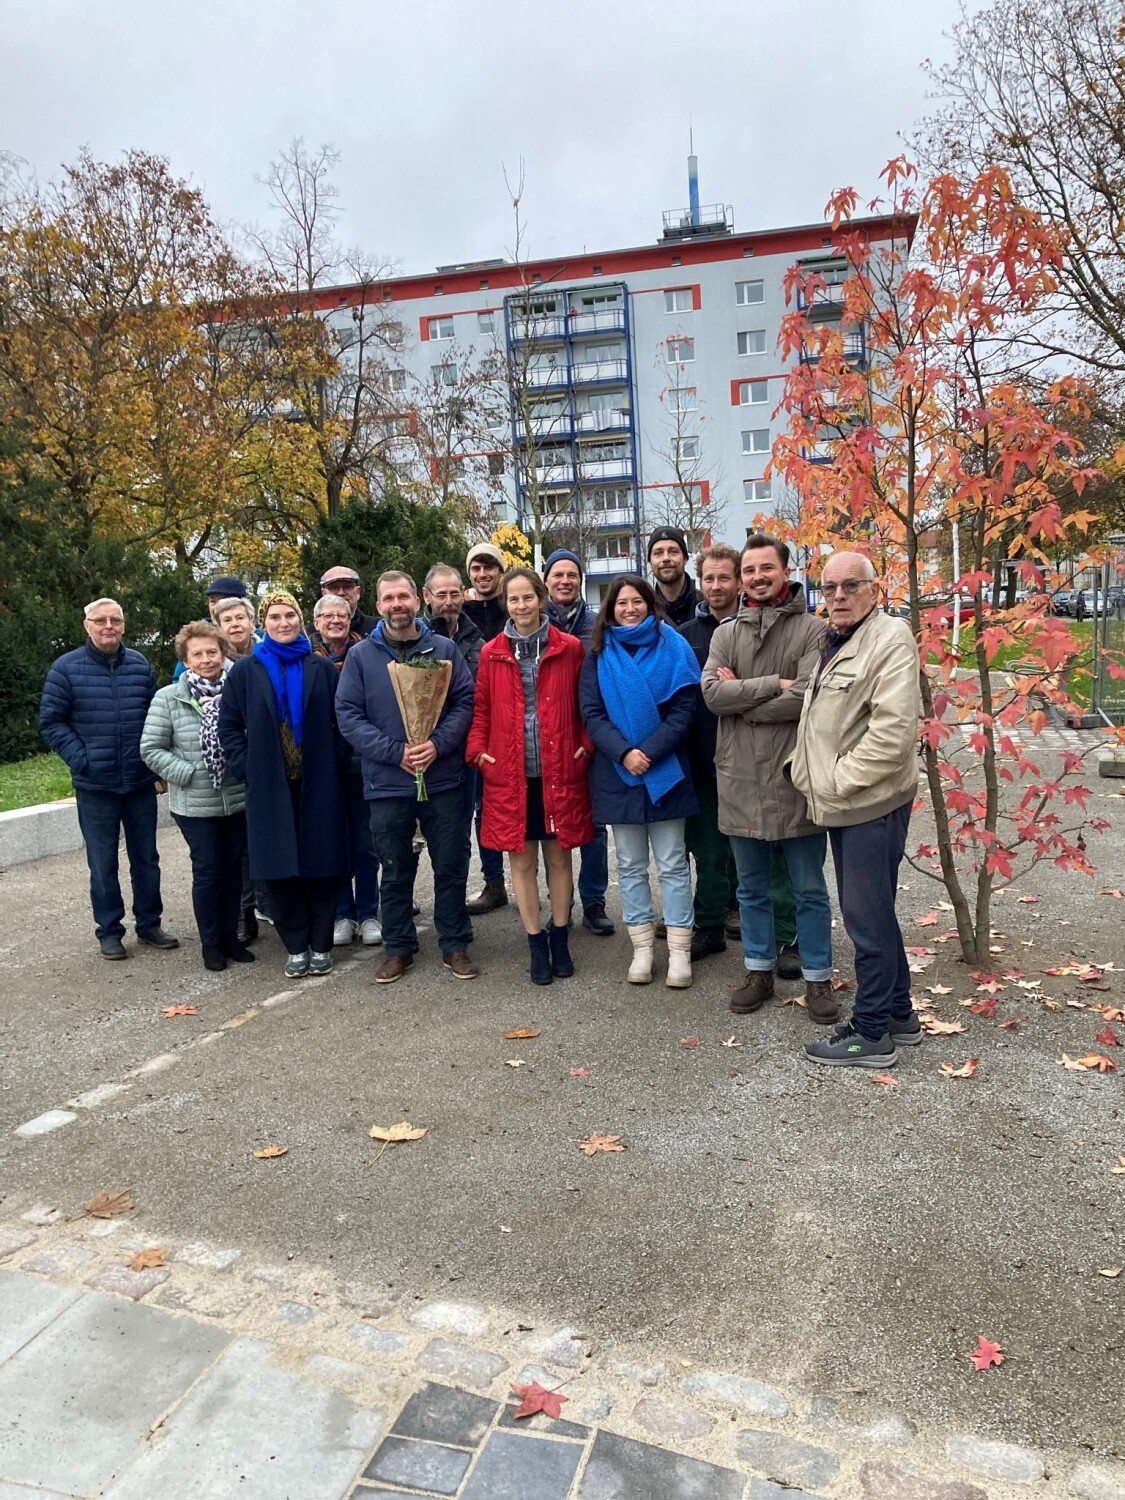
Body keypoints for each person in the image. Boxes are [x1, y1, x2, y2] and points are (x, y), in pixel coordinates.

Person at [789, 551, 921, 1068]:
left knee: (865, 921)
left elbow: (891, 736)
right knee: (876, 914)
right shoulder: (837, 637)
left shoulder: (889, 639)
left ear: (874, 589)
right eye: (830, 587)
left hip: (867, 802)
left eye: (850, 586)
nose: (838, 596)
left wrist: (836, 781)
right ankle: (898, 1015)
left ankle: (871, 1035)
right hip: (848, 803)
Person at [702, 534, 836, 1022]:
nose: (758, 578)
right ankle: (758, 970)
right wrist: (768, 686)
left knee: (809, 888)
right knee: (751, 889)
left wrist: (747, 703)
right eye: (750, 571)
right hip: (737, 777)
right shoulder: (725, 633)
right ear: (743, 579)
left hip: (792, 775)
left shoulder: (812, 630)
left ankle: (818, 978)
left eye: (767, 569)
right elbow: (712, 696)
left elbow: (807, 695)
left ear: (785, 571)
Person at [335, 571, 478, 984]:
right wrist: (393, 752)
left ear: (418, 601)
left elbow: (464, 703)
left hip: (443, 778)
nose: (397, 604)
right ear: (378, 606)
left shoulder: (444, 648)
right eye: (389, 599)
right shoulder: (363, 656)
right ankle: (398, 947)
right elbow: (348, 714)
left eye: (404, 597)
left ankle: (454, 942)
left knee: (450, 864)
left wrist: (438, 744)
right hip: (387, 781)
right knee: (394, 867)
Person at [468, 568, 594, 985]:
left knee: (559, 856)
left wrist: (585, 745)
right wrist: (479, 753)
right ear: (506, 603)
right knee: (520, 860)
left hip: (559, 767)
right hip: (509, 770)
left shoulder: (570, 648)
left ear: (541, 599)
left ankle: (560, 936)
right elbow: (482, 708)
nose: (520, 606)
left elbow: (585, 705)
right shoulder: (491, 652)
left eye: (527, 598)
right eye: (513, 599)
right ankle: (535, 941)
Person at [218, 590, 349, 978]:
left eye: (289, 615)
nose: (283, 623)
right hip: (269, 785)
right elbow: (229, 727)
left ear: (300, 620)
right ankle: (295, 945)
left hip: (318, 782)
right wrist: (248, 769)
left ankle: (321, 943)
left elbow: (341, 723)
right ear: (264, 623)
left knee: (321, 864)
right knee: (279, 868)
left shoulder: (320, 668)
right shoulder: (245, 672)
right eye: (274, 617)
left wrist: (336, 764)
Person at [39, 598, 178, 959]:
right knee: (102, 862)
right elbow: (52, 722)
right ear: (87, 625)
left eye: (115, 620)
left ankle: (149, 924)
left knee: (146, 858)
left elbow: (156, 717)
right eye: (100, 620)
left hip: (138, 781)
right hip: (95, 785)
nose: (108, 626)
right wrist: (80, 759)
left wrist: (156, 764)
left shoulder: (139, 665)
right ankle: (109, 930)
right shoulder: (66, 669)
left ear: (124, 625)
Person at [580, 575, 700, 988]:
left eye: (637, 601)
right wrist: (625, 753)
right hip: (619, 773)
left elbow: (685, 710)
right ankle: (643, 949)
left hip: (666, 769)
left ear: (650, 604)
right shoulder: (597, 654)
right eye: (621, 603)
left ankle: (681, 952)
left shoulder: (675, 647)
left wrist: (648, 751)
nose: (629, 609)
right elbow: (592, 713)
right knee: (629, 865)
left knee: (672, 864)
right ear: (610, 608)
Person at [140, 621, 250, 972]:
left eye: (212, 652)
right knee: (208, 871)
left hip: (236, 796)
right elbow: (151, 748)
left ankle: (233, 938)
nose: (206, 660)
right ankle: (211, 943)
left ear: (223, 653)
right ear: (186, 661)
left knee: (235, 870)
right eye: (197, 654)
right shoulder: (169, 698)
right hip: (194, 803)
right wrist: (185, 774)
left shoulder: (240, 689)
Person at [423, 564, 503, 915]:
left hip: (475, 743)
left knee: (483, 814)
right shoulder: (418, 636)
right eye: (441, 594)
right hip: (430, 748)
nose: (449, 601)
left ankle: (494, 882)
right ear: (427, 597)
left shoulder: (476, 638)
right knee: (439, 828)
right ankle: (436, 900)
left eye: (455, 593)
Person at [543, 548, 614, 938]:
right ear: (547, 580)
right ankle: (561, 903)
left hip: (590, 733)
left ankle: (594, 901)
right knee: (554, 827)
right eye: (558, 575)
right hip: (549, 739)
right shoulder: (532, 626)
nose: (565, 581)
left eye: (572, 574)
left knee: (594, 824)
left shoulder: (597, 624)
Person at [677, 544, 741, 962]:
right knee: (709, 851)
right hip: (700, 761)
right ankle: (710, 925)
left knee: (752, 849)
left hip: (749, 761)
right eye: (709, 579)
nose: (715, 586)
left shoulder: (755, 628)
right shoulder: (685, 636)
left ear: (737, 581)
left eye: (723, 578)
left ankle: (761, 923)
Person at [312, 595, 382, 949]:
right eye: (327, 615)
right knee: (335, 842)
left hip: (363, 761)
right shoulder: (309, 660)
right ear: (316, 622)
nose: (335, 620)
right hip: (325, 767)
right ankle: (343, 913)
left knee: (365, 842)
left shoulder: (367, 654)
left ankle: (369, 912)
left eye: (342, 614)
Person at [212, 595, 262, 944]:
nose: (234, 624)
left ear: (252, 621)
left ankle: (269, 901)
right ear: (217, 627)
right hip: (227, 771)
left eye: (240, 617)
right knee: (235, 849)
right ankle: (244, 912)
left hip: (269, 766)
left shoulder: (268, 654)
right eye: (226, 619)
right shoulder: (204, 660)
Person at [173, 577, 249, 681]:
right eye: (212, 601)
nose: (216, 607)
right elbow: (179, 685)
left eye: (222, 601)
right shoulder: (195, 640)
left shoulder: (264, 643)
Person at [648, 526, 701, 627]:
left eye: (673, 551)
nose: (666, 558)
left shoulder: (705, 607)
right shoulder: (646, 613)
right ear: (650, 562)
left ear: (685, 558)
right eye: (658, 553)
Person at [461, 542, 507, 643]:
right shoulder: (460, 614)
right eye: (476, 569)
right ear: (469, 575)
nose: (482, 574)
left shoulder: (513, 610)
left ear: (500, 572)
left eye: (489, 568)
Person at [319, 566, 377, 637]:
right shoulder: (307, 635)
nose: (341, 593)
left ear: (358, 592)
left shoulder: (377, 628)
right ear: (324, 594)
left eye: (347, 587)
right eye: (334, 587)